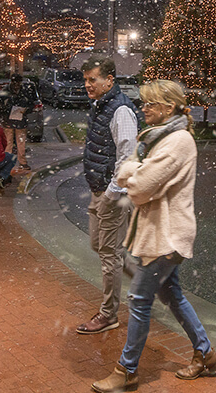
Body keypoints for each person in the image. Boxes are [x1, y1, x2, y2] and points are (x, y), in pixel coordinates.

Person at [91, 80, 216, 393]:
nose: (143, 108)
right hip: (158, 232)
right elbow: (137, 175)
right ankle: (206, 354)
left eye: (150, 104)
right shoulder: (155, 138)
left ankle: (127, 371)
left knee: (139, 300)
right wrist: (136, 172)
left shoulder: (177, 141)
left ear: (169, 107)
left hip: (168, 236)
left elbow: (139, 186)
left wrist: (132, 173)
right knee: (171, 294)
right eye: (144, 103)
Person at [76, 57, 139, 335]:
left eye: (93, 79)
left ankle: (108, 314)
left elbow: (127, 157)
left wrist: (112, 194)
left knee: (109, 256)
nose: (88, 85)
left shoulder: (121, 110)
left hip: (111, 194)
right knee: (99, 246)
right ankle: (144, 279)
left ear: (109, 80)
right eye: (86, 79)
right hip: (98, 189)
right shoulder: (101, 105)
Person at [0, 73, 35, 171]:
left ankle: (19, 162)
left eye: (18, 82)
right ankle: (10, 162)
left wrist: (25, 110)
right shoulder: (22, 91)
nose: (16, 85)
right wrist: (7, 113)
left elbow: (31, 104)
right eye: (15, 82)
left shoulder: (21, 91)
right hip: (11, 121)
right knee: (11, 143)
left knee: (17, 143)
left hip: (17, 121)